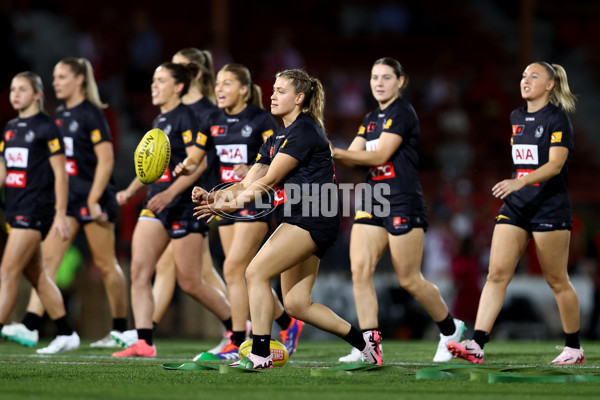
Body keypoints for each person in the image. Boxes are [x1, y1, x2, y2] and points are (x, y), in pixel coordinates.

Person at [192, 68, 382, 369]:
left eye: (281, 91)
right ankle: (366, 346)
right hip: (300, 217)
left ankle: (261, 352)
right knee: (296, 303)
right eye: (274, 90)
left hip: (311, 216)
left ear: (299, 98)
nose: (273, 95)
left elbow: (268, 181)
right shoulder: (277, 136)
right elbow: (247, 183)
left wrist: (229, 207)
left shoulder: (304, 131)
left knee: (254, 273)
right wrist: (214, 197)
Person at [447, 62, 584, 365]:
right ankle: (477, 343)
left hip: (549, 206)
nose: (525, 80)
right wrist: (518, 187)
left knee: (556, 280)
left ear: (550, 85)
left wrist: (519, 181)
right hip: (517, 206)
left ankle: (574, 347)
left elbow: (555, 165)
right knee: (496, 274)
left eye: (534, 76)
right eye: (523, 75)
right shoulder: (516, 117)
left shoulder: (557, 118)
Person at [331, 57, 464, 363]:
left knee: (409, 279)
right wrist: (329, 152)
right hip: (374, 198)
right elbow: (352, 157)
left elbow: (380, 155)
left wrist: (334, 150)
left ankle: (450, 328)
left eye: (386, 77)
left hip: (402, 198)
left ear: (400, 81)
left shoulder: (402, 112)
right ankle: (370, 345)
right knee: (359, 270)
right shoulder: (370, 117)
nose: (378, 83)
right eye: (374, 77)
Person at [176, 63, 304, 361]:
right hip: (226, 200)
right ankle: (287, 323)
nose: (219, 89)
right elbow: (196, 156)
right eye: (218, 84)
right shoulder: (212, 119)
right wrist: (185, 166)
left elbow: (277, 158)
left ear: (244, 90)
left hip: (255, 199)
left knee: (234, 269)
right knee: (244, 275)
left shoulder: (260, 119)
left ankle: (236, 340)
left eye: (227, 84)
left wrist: (252, 169)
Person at [0, 58, 129, 349]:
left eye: (61, 77)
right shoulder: (57, 115)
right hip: (67, 201)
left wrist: (94, 198)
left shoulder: (92, 114)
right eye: (54, 77)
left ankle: (122, 328)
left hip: (93, 198)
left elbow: (106, 161)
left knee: (106, 264)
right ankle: (34, 326)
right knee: (47, 262)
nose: (55, 82)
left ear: (79, 80)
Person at [110, 48, 232, 354]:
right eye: (153, 80)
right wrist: (130, 189)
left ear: (178, 86)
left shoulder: (191, 118)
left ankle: (236, 328)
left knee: (190, 281)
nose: (153, 86)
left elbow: (200, 164)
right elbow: (153, 165)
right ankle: (144, 341)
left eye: (160, 81)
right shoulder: (160, 119)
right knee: (139, 271)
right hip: (156, 203)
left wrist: (171, 192)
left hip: (182, 205)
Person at [0, 71, 80, 354]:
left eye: (22, 89)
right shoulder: (9, 128)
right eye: (12, 89)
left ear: (37, 94)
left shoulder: (47, 127)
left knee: (7, 271)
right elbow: (4, 171)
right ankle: (66, 332)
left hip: (35, 210)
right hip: (15, 208)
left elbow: (61, 174)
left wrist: (60, 213)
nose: (15, 94)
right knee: (38, 277)